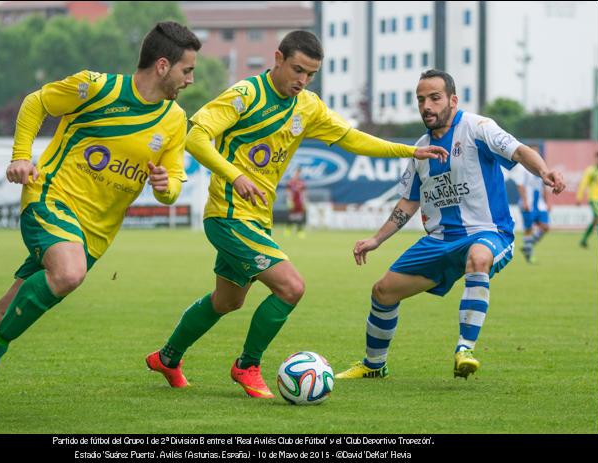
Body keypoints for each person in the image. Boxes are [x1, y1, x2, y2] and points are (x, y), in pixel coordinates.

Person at [0, 22, 200, 414]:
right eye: (187, 70)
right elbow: (36, 102)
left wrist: (164, 185)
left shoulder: (174, 120)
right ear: (163, 65)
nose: (191, 79)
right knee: (69, 273)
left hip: (94, 236)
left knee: (1, 314)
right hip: (50, 200)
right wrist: (21, 155)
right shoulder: (96, 87)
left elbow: (173, 182)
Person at [145, 31, 448, 399]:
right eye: (297, 70)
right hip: (227, 215)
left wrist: (407, 151)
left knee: (227, 301)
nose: (302, 81)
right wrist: (235, 176)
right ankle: (247, 366)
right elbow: (196, 136)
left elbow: (351, 138)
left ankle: (168, 358)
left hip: (256, 219)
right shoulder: (246, 95)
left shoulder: (308, 106)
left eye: (310, 75)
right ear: (277, 58)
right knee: (291, 287)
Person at [336, 70, 565, 381]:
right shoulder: (420, 149)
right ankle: (374, 366)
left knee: (479, 258)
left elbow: (521, 151)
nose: (426, 106)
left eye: (434, 98)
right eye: (421, 100)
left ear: (453, 100)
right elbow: (409, 201)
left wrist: (545, 172)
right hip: (441, 240)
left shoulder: (478, 127)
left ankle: (464, 349)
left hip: (488, 232)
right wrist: (377, 239)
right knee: (383, 292)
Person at [510, 146, 551, 263]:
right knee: (528, 229)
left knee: (545, 227)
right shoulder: (523, 168)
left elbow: (544, 186)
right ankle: (529, 255)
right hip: (528, 203)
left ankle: (527, 247)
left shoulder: (543, 168)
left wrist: (547, 202)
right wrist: (525, 201)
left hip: (540, 204)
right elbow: (520, 185)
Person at [576, 150, 598, 248]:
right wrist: (579, 197)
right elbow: (583, 184)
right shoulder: (590, 170)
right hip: (594, 199)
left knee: (595, 221)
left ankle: (583, 240)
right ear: (595, 159)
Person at [286, 167, 307, 238]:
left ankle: (299, 231)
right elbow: (288, 192)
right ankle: (288, 229)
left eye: (299, 173)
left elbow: (304, 193)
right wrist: (289, 201)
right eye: (296, 173)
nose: (297, 174)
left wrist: (304, 202)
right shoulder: (290, 182)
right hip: (293, 201)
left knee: (299, 216)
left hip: (299, 202)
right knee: (291, 216)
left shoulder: (301, 183)